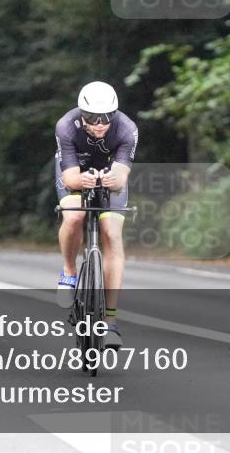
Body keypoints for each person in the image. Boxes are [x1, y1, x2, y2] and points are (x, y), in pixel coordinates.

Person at [54, 81, 138, 349]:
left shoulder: (127, 128)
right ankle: (69, 271)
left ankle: (110, 320)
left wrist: (112, 179)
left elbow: (122, 176)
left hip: (109, 174)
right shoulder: (66, 125)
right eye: (92, 117)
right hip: (75, 170)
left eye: (106, 117)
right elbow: (69, 177)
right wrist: (83, 181)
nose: (100, 123)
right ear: (81, 114)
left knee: (112, 233)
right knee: (74, 216)